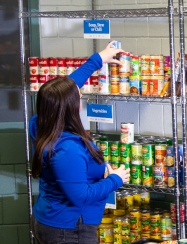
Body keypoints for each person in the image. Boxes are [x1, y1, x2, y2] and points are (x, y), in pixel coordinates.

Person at [30, 41, 130, 244]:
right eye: (78, 96)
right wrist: (115, 180)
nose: (81, 94)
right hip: (69, 230)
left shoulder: (40, 123)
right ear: (69, 107)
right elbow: (81, 197)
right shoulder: (68, 150)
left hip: (51, 221)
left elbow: (63, 90)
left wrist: (98, 59)